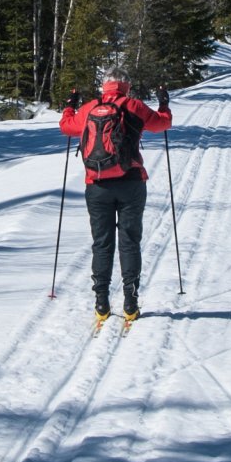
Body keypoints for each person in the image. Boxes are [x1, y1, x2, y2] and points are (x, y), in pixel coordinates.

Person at [59, 66, 172, 323]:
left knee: (102, 243)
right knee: (129, 242)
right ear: (126, 86)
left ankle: (101, 303)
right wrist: (164, 103)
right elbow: (163, 123)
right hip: (131, 183)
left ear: (105, 85)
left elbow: (66, 127)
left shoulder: (90, 108)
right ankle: (130, 303)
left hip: (97, 185)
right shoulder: (134, 106)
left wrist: (70, 105)